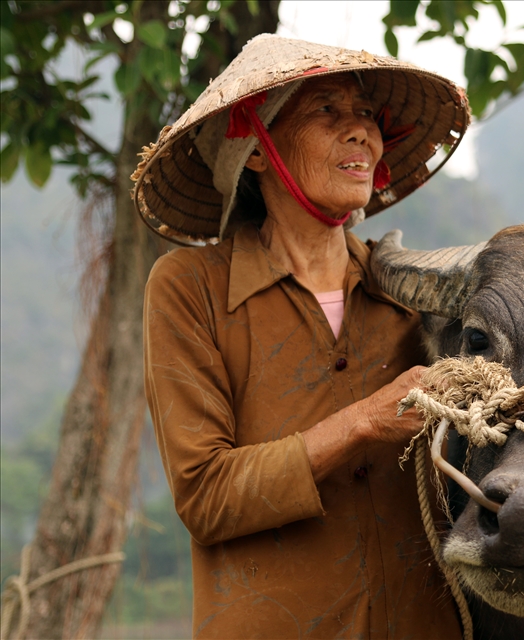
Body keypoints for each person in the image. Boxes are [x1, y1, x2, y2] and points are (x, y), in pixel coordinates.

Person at [132, 35, 469, 639]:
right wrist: (363, 421)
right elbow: (205, 496)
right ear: (256, 152)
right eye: (326, 110)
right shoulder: (190, 289)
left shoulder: (414, 293)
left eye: (367, 113)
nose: (360, 131)